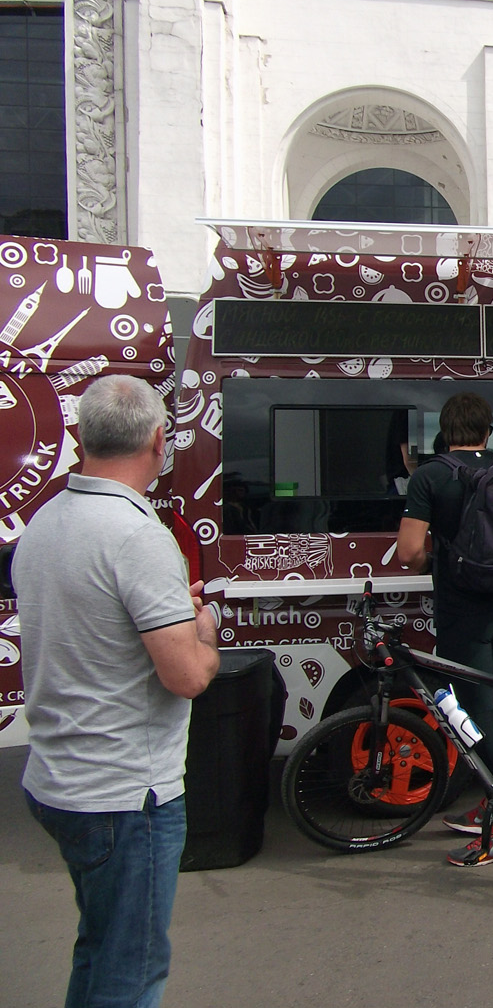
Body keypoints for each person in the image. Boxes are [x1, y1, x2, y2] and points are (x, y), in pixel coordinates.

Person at [16, 374, 221, 1008]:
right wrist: (203, 631)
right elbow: (185, 676)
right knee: (130, 971)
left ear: (80, 437)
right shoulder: (138, 535)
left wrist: (163, 612)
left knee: (100, 946)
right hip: (127, 795)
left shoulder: (46, 521)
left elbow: (96, 619)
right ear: (160, 442)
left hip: (58, 778)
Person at [396, 391, 493, 867]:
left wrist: (443, 555)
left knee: (472, 717)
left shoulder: (430, 476)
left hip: (464, 614)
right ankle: (491, 804)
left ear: (445, 429)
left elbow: (409, 552)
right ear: (488, 430)